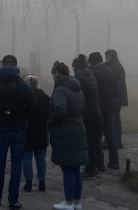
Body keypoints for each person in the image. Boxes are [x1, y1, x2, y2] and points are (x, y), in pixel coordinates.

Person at [0, 55, 36, 209]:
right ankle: (13, 201)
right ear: (16, 65)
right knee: (16, 165)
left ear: (2, 65)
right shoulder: (23, 84)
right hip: (19, 128)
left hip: (1, 128)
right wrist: (23, 115)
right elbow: (33, 104)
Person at [49, 61, 88, 210]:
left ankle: (68, 202)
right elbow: (84, 108)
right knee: (76, 169)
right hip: (79, 129)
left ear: (57, 74)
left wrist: (51, 120)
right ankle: (77, 202)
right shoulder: (77, 88)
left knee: (67, 169)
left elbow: (59, 110)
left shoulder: (60, 90)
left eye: (53, 74)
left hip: (65, 133)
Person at [72, 55, 103, 179]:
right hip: (96, 111)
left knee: (89, 142)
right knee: (94, 141)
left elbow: (79, 97)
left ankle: (90, 169)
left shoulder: (80, 77)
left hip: (88, 114)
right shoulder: (90, 74)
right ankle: (94, 166)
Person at [88, 51, 119, 170]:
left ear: (92, 61)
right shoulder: (110, 72)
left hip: (98, 108)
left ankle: (99, 163)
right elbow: (116, 91)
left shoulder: (93, 73)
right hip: (110, 108)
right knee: (111, 136)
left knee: (97, 136)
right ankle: (114, 161)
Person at [22, 74, 49, 193]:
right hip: (42, 130)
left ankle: (28, 182)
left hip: (27, 131)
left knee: (26, 158)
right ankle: (42, 182)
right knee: (40, 159)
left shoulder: (23, 97)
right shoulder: (45, 97)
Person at [104, 49, 128, 149]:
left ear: (110, 56)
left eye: (106, 56)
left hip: (114, 98)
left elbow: (114, 83)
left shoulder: (114, 67)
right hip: (118, 97)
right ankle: (116, 141)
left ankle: (113, 141)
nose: (105, 58)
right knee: (115, 120)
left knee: (112, 120)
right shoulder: (117, 66)